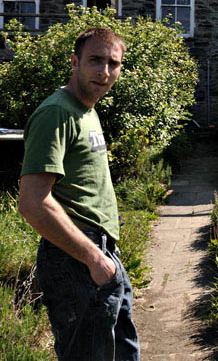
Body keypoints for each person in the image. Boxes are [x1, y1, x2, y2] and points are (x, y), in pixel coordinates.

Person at [18, 27, 139, 360]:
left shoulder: (86, 109)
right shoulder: (57, 113)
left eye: (113, 63)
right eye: (95, 61)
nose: (104, 72)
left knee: (120, 350)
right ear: (75, 62)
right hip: (77, 259)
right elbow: (32, 202)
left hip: (98, 252)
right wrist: (92, 257)